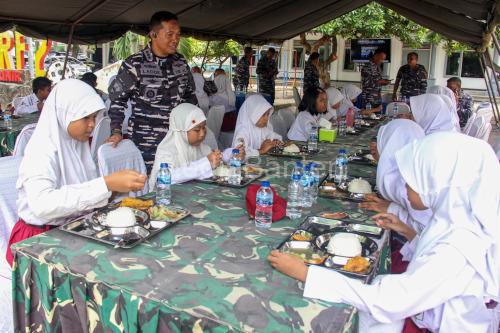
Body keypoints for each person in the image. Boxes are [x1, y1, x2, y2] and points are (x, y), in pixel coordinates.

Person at [269, 132, 499, 333]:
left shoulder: (458, 245)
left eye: (411, 182)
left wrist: (308, 274)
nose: (405, 189)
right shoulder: (456, 221)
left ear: (434, 183)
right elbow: (433, 259)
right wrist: (408, 231)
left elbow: (390, 301)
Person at [5, 79, 146, 266]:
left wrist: (115, 189)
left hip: (71, 231)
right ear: (65, 114)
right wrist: (106, 184)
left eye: (94, 118)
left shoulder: (77, 145)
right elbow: (43, 205)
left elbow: (82, 193)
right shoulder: (41, 150)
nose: (92, 125)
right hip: (38, 242)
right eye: (85, 118)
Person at [107, 11, 197, 173]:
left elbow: (190, 98)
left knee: (178, 186)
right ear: (153, 35)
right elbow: (117, 101)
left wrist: (195, 126)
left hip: (177, 142)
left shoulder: (181, 63)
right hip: (145, 145)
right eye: (170, 34)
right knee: (149, 190)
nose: (175, 39)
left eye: (178, 34)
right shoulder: (134, 64)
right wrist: (116, 131)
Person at [149, 104, 223, 188]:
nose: (202, 134)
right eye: (197, 130)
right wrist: (204, 164)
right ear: (182, 132)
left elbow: (216, 165)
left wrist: (228, 155)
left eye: (204, 128)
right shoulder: (167, 152)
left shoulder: (203, 148)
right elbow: (167, 178)